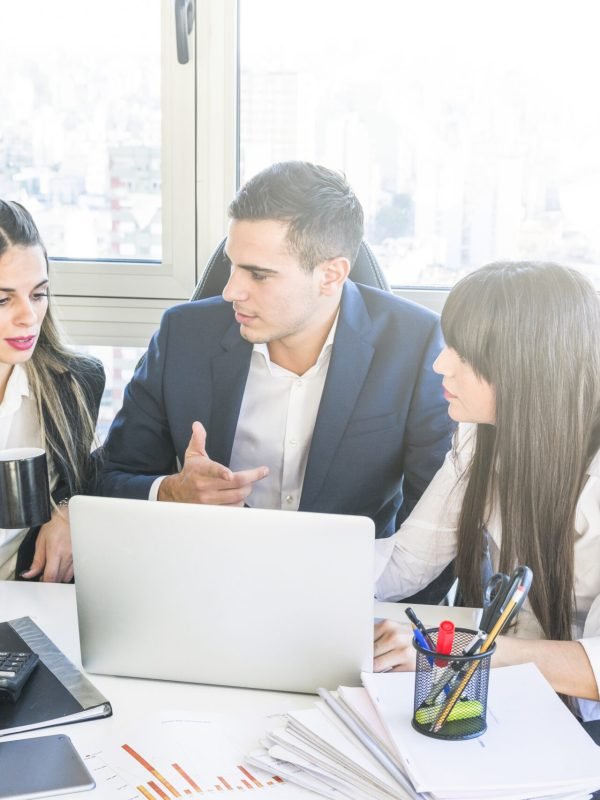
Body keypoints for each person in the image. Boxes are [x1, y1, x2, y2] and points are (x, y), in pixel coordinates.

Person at [99, 161, 452, 540]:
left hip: (354, 571)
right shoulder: (183, 336)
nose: (231, 291)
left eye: (259, 274)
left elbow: (438, 521)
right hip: (210, 563)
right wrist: (170, 492)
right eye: (232, 266)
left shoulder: (414, 346)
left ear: (330, 275)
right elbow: (109, 477)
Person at [373, 261, 600, 719]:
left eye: (464, 353)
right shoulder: (482, 433)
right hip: (507, 691)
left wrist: (463, 651)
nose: (440, 364)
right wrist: (292, 577)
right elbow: (407, 562)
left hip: (575, 719)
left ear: (530, 367)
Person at [0, 200, 105, 583]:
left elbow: (94, 476)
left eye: (38, 294)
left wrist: (69, 509)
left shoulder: (74, 383)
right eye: (3, 299)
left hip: (28, 598)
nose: (28, 317)